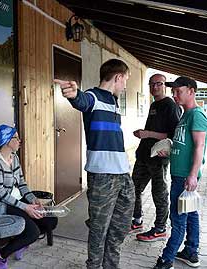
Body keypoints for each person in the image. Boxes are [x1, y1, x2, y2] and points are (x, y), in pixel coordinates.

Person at [54, 59, 135, 269]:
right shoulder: (94, 97)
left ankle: (111, 265)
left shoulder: (113, 100)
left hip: (123, 175)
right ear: (118, 77)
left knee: (120, 226)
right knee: (99, 229)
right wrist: (74, 94)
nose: (125, 85)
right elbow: (83, 101)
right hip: (102, 177)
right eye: (125, 80)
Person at [0, 124, 58, 269]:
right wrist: (26, 207)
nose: (20, 141)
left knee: (50, 220)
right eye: (16, 138)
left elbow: (22, 183)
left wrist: (32, 199)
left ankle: (20, 243)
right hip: (3, 205)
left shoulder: (14, 157)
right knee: (33, 232)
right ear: (7, 141)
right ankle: (0, 255)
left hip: (17, 200)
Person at [154, 77, 207, 269]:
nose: (175, 95)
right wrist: (168, 150)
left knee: (177, 219)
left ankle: (166, 259)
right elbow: (184, 144)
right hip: (180, 174)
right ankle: (191, 252)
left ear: (192, 91)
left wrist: (193, 175)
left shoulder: (196, 115)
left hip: (185, 177)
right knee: (190, 213)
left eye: (179, 91)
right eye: (173, 91)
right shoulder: (184, 115)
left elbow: (200, 146)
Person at [131, 74, 181, 242]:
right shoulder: (154, 104)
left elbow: (173, 135)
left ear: (164, 86)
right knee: (133, 188)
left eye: (158, 84)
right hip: (144, 156)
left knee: (159, 193)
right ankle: (136, 220)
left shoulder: (170, 106)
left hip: (158, 158)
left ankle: (160, 229)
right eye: (152, 84)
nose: (155, 87)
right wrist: (144, 135)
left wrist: (148, 134)